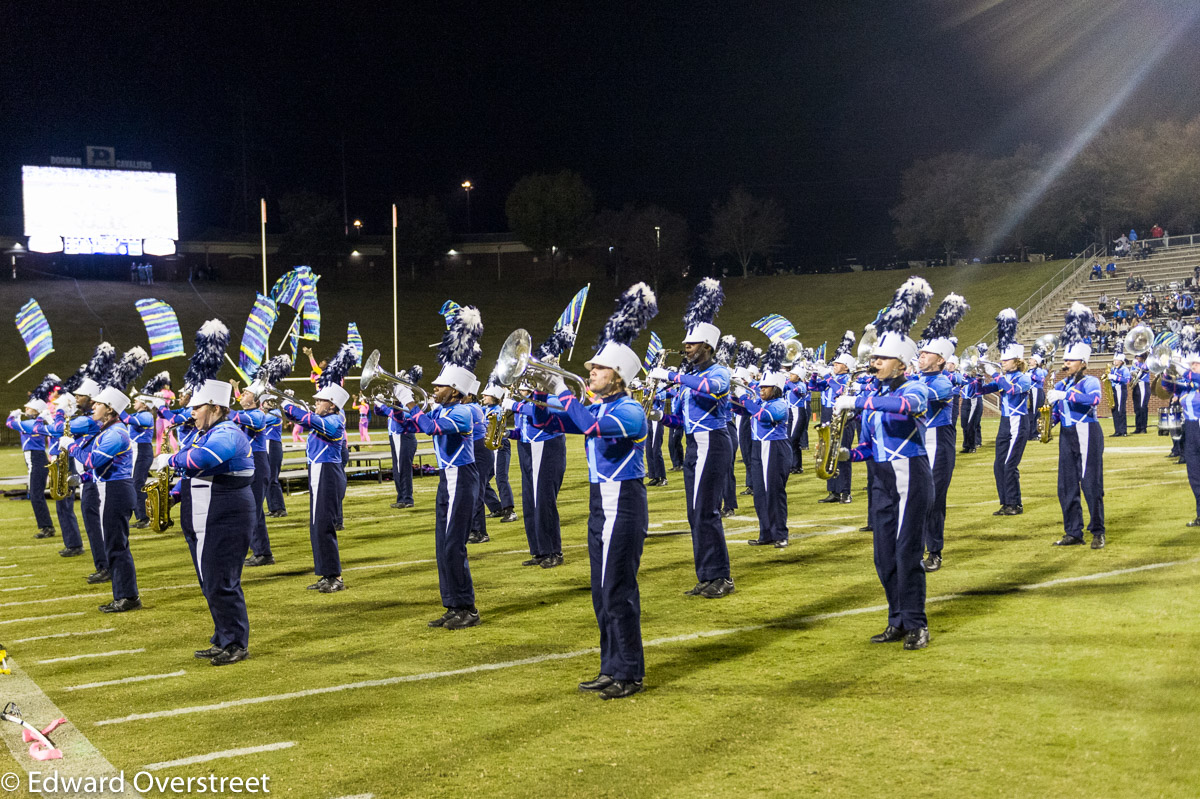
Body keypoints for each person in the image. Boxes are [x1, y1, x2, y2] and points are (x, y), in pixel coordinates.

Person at [527, 283, 656, 699]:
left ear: (617, 376)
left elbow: (590, 427)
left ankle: (629, 673)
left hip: (625, 502)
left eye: (597, 370)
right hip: (602, 502)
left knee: (617, 588)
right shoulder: (599, 405)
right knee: (601, 590)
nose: (589, 374)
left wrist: (562, 392)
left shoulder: (630, 410)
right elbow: (553, 424)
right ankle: (610, 666)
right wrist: (537, 399)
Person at [835, 276, 935, 650]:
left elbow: (908, 409)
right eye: (874, 356)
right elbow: (872, 447)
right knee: (883, 557)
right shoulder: (874, 393)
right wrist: (847, 455)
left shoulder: (915, 387)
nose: (873, 361)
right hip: (881, 479)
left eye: (881, 358)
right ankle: (896, 619)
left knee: (907, 553)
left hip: (911, 477)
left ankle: (917, 623)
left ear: (901, 363)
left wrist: (860, 403)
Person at [156, 377, 255, 665]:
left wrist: (172, 460)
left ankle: (236, 643)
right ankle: (222, 637)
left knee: (221, 581)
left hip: (225, 513)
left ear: (213, 407)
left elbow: (206, 459)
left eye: (196, 407)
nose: (192, 412)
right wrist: (174, 495)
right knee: (209, 581)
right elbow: (193, 474)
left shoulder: (227, 432)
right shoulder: (203, 432)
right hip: (205, 512)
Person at [648, 278, 735, 598]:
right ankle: (707, 575)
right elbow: (684, 421)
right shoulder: (691, 378)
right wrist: (660, 417)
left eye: (692, 344)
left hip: (714, 441)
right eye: (686, 344)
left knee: (707, 509)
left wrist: (672, 375)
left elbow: (715, 391)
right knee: (695, 512)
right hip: (696, 443)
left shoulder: (718, 372)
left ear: (708, 347)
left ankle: (722, 576)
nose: (686, 348)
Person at [399, 306, 484, 630]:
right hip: (447, 481)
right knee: (441, 545)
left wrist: (410, 402)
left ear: (455, 391)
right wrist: (399, 406)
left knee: (453, 544)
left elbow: (431, 427)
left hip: (462, 478)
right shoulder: (443, 408)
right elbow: (414, 422)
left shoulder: (463, 412)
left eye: (438, 386)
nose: (433, 389)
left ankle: (468, 608)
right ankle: (452, 604)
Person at [281, 343, 355, 593]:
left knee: (324, 525)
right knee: (316, 525)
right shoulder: (325, 417)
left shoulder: (334, 421)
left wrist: (288, 405)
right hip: (319, 473)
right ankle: (325, 574)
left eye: (320, 401)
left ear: (332, 405)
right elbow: (303, 417)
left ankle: (335, 577)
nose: (316, 403)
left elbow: (303, 417)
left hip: (329, 474)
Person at [70, 386, 140, 613]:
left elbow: (93, 461)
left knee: (116, 545)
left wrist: (70, 446)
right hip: (110, 489)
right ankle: (123, 594)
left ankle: (127, 596)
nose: (93, 406)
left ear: (110, 409)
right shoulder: (108, 430)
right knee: (114, 543)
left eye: (98, 404)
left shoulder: (116, 433)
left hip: (116, 490)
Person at [915, 293, 968, 571]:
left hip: (939, 441)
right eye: (920, 352)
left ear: (940, 360)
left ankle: (934, 551)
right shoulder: (916, 378)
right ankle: (914, 547)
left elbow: (922, 395)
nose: (920, 356)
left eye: (926, 354)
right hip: (918, 442)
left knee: (934, 499)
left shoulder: (944, 383)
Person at [1046, 304, 1106, 549]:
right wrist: (1048, 419)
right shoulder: (1062, 384)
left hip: (1088, 432)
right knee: (1066, 485)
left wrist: (1064, 397)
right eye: (1065, 359)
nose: (1065, 362)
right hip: (1067, 434)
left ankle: (1098, 531)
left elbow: (1094, 401)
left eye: (1070, 359)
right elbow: (1059, 413)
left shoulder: (1090, 380)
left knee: (1091, 484)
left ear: (1082, 362)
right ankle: (1073, 531)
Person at [733, 342, 792, 547]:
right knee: (760, 492)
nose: (760, 388)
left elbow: (762, 416)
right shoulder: (763, 402)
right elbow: (744, 411)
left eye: (765, 387)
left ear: (775, 388)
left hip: (775, 448)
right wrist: (734, 398)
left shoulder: (779, 405)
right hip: (760, 447)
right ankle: (766, 533)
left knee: (774, 492)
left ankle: (780, 534)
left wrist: (745, 399)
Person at [979, 309, 1032, 516]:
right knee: (999, 465)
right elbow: (982, 391)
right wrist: (976, 378)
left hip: (1018, 423)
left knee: (1010, 465)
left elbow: (1010, 390)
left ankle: (1015, 503)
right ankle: (1006, 503)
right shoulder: (1004, 377)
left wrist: (994, 374)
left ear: (1016, 361)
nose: (1001, 363)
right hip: (1006, 422)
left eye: (1005, 360)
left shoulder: (1023, 378)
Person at [229, 380, 273, 566]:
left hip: (258, 462)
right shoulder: (247, 413)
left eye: (245, 393)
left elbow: (237, 417)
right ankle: (262, 551)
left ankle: (261, 552)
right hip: (248, 462)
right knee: (254, 509)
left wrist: (221, 407)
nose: (241, 395)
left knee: (252, 510)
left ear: (255, 400)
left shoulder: (258, 415)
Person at [812, 331, 857, 502]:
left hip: (845, 417)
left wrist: (827, 375)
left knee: (842, 453)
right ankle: (833, 491)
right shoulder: (834, 378)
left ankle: (845, 491)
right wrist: (816, 373)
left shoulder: (848, 379)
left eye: (838, 364)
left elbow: (839, 390)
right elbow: (814, 387)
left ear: (846, 367)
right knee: (828, 453)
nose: (834, 366)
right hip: (829, 415)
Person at [7, 395, 56, 539]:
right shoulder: (33, 424)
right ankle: (46, 526)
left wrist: (12, 416)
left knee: (36, 496)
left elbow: (10, 424)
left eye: (28, 407)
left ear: (36, 410)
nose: (25, 409)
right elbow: (11, 424)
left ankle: (47, 527)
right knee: (35, 495)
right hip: (34, 460)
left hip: (37, 460)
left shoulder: (33, 424)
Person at [381, 365, 421, 510]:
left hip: (404, 437)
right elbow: (381, 412)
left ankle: (407, 498)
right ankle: (401, 498)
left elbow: (400, 419)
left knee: (403, 470)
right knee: (398, 469)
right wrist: (379, 404)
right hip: (395, 437)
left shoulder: (409, 403)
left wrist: (386, 407)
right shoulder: (398, 401)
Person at [479, 382, 517, 522]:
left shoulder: (497, 411)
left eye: (486, 394)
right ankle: (496, 507)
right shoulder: (485, 409)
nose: (483, 395)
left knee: (501, 478)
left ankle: (510, 511)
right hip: (488, 447)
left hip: (500, 446)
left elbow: (490, 427)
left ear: (494, 396)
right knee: (481, 479)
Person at [1108, 350, 1130, 436]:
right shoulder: (1112, 369)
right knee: (1114, 410)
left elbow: (1127, 380)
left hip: (1121, 389)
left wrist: (1116, 378)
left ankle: (1123, 430)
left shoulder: (1125, 369)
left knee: (1121, 409)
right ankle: (1117, 430)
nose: (1114, 361)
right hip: (1114, 389)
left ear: (1121, 361)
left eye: (1116, 360)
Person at [1131, 352, 1151, 433]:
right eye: (1136, 357)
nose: (1137, 359)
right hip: (1136, 386)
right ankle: (1138, 427)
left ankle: (1143, 428)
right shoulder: (1134, 365)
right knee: (1137, 408)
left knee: (1143, 407)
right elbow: (1131, 374)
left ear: (1142, 358)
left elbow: (1146, 368)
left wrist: (1138, 365)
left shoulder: (1146, 364)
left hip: (1143, 385)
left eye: (1138, 357)